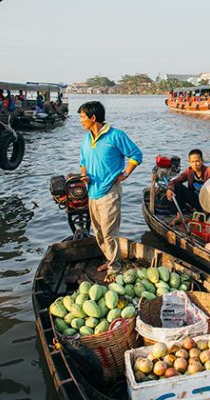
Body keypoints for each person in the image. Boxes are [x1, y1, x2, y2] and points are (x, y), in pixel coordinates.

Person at [78, 101, 143, 280]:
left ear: (93, 117)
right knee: (98, 233)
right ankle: (110, 259)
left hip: (109, 192)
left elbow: (136, 154)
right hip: (92, 192)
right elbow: (83, 161)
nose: (81, 121)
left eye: (83, 117)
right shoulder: (86, 138)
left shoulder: (115, 135)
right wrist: (84, 174)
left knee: (109, 233)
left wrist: (125, 174)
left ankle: (115, 268)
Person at [166, 149, 210, 226]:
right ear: (189, 162)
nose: (195, 164)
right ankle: (179, 215)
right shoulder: (189, 171)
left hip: (206, 202)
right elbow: (175, 181)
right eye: (192, 162)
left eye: (197, 161)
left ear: (202, 161)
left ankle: (200, 214)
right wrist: (169, 189)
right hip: (194, 200)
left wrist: (205, 210)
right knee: (177, 186)